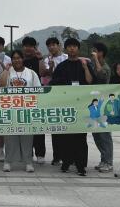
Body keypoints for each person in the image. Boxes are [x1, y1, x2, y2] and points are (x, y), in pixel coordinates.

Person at [50, 38, 95, 176]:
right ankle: (66, 162)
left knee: (81, 137)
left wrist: (86, 67)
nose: (72, 49)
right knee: (66, 136)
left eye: (74, 46)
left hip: (82, 106)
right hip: (67, 106)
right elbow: (54, 84)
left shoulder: (85, 64)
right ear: (66, 49)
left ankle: (81, 165)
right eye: (69, 47)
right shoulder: (62, 66)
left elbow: (90, 81)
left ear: (78, 48)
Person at [0, 50, 41, 172]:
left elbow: (38, 90)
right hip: (10, 109)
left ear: (23, 59)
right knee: (10, 137)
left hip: (27, 110)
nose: (16, 60)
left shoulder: (31, 73)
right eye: (14, 58)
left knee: (27, 137)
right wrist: (6, 70)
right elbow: (0, 84)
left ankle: (28, 162)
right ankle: (8, 161)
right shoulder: (8, 72)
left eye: (19, 58)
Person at [39, 37, 68, 165]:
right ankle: (57, 156)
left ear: (58, 45)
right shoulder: (47, 59)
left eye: (53, 45)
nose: (51, 47)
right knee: (55, 127)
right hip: (52, 96)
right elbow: (45, 74)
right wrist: (50, 68)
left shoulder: (66, 57)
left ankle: (69, 156)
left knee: (67, 128)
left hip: (66, 95)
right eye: (49, 45)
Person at [90, 42, 114, 173]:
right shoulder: (93, 65)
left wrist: (95, 61)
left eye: (95, 51)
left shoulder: (105, 67)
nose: (93, 53)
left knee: (104, 134)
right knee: (96, 134)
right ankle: (103, 159)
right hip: (94, 104)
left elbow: (101, 75)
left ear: (101, 53)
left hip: (103, 104)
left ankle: (108, 161)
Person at [22, 36, 46, 164]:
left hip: (37, 98)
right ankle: (27, 154)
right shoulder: (19, 61)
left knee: (38, 125)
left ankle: (40, 153)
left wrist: (40, 58)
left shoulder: (39, 60)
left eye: (31, 46)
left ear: (34, 47)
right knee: (25, 127)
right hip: (22, 100)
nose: (28, 48)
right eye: (26, 46)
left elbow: (43, 73)